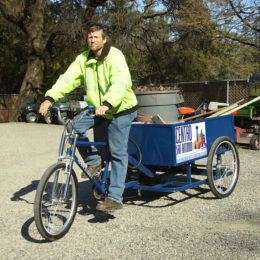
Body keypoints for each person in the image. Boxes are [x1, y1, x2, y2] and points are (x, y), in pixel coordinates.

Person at [39, 23, 138, 212]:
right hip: (99, 109)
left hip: (121, 109)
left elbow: (120, 82)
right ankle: (93, 162)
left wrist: (108, 103)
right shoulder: (83, 58)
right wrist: (49, 98)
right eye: (89, 37)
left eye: (96, 37)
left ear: (104, 39)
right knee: (71, 128)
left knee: (117, 152)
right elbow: (67, 79)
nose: (92, 40)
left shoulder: (115, 56)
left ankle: (115, 197)